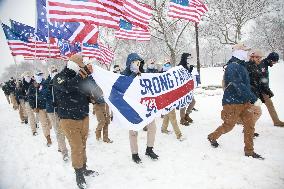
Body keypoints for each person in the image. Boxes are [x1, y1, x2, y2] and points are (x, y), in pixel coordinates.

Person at [207, 43, 264, 159]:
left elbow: (246, 85)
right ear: (238, 52)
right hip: (232, 103)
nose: (247, 53)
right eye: (244, 51)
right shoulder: (232, 67)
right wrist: (254, 98)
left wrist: (251, 97)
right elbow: (238, 84)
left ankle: (249, 151)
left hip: (245, 102)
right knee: (228, 126)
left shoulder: (242, 65)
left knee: (249, 125)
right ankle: (212, 136)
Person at [53, 54, 97, 189]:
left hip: (83, 117)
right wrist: (82, 75)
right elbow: (67, 87)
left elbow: (88, 91)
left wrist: (92, 95)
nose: (82, 69)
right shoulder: (60, 77)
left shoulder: (82, 77)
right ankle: (78, 173)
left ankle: (83, 167)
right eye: (81, 67)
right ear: (74, 65)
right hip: (69, 119)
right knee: (76, 146)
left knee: (82, 144)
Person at [121, 53, 159, 164]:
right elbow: (122, 87)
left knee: (152, 128)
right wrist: (133, 75)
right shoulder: (123, 75)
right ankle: (135, 154)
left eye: (138, 62)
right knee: (133, 131)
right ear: (129, 63)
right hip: (131, 108)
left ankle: (149, 149)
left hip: (145, 106)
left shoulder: (144, 74)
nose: (137, 64)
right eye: (134, 62)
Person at [44, 65, 69, 161]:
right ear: (49, 71)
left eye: (55, 70)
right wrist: (50, 90)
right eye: (52, 70)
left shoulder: (60, 79)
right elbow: (43, 94)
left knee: (65, 129)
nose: (54, 71)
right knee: (58, 130)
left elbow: (66, 90)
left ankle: (60, 145)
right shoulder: (46, 82)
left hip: (62, 108)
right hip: (52, 110)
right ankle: (64, 152)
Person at [258, 52, 284, 127]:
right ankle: (240, 120)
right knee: (251, 106)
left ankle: (276, 121)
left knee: (270, 105)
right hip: (259, 90)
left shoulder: (265, 64)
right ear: (270, 59)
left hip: (263, 90)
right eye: (274, 61)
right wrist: (266, 90)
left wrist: (267, 89)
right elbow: (260, 79)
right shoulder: (262, 65)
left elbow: (264, 79)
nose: (275, 63)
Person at [27, 71, 52, 146]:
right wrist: (33, 106)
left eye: (41, 74)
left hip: (48, 106)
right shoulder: (32, 86)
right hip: (40, 108)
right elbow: (30, 97)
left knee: (50, 123)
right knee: (44, 124)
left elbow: (49, 93)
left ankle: (49, 128)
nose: (39, 76)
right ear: (35, 76)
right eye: (38, 75)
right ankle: (48, 138)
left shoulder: (46, 83)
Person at [90, 78, 113, 143]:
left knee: (106, 122)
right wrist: (94, 103)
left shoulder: (106, 85)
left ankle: (105, 138)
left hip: (106, 105)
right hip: (98, 105)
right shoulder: (94, 84)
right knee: (102, 121)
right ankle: (98, 136)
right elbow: (90, 95)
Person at [178, 53, 197, 126]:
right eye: (188, 58)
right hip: (182, 89)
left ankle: (187, 115)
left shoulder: (187, 65)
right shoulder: (180, 66)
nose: (189, 59)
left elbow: (188, 75)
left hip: (188, 88)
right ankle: (182, 119)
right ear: (185, 58)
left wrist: (191, 69)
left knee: (193, 102)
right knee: (184, 104)